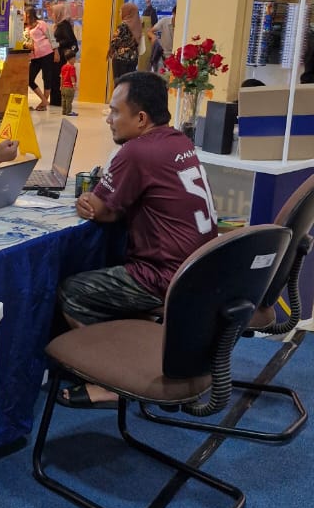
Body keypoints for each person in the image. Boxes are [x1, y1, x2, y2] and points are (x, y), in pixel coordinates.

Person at [58, 70, 217, 338]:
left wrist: (86, 200)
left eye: (115, 112)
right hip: (200, 270)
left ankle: (111, 361)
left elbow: (100, 210)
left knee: (72, 292)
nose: (109, 120)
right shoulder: (179, 140)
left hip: (165, 277)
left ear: (141, 118)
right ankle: (144, 339)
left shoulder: (137, 150)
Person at [24, 7, 55, 111]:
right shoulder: (26, 28)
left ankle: (43, 104)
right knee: (29, 79)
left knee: (46, 78)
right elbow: (27, 42)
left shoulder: (41, 24)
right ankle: (44, 100)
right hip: (35, 56)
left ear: (29, 15)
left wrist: (56, 51)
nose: (24, 17)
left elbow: (51, 37)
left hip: (47, 53)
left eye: (25, 14)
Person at [49, 3, 78, 107]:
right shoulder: (61, 24)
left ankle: (57, 101)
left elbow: (69, 40)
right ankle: (56, 100)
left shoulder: (64, 25)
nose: (52, 15)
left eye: (53, 13)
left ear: (59, 13)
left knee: (58, 77)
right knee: (56, 77)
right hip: (59, 55)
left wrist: (56, 44)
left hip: (61, 56)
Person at [107, 2, 141, 85]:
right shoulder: (138, 26)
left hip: (120, 59)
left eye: (121, 11)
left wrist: (110, 50)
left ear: (127, 13)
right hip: (133, 58)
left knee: (119, 84)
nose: (120, 14)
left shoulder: (123, 26)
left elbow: (114, 41)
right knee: (129, 84)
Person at [59, 46, 78, 116]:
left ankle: (64, 111)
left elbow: (61, 77)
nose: (75, 60)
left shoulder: (63, 67)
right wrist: (74, 85)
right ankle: (69, 112)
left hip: (64, 87)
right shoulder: (72, 67)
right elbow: (72, 76)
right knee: (69, 101)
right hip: (69, 87)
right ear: (71, 59)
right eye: (74, 58)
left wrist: (61, 86)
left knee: (64, 100)